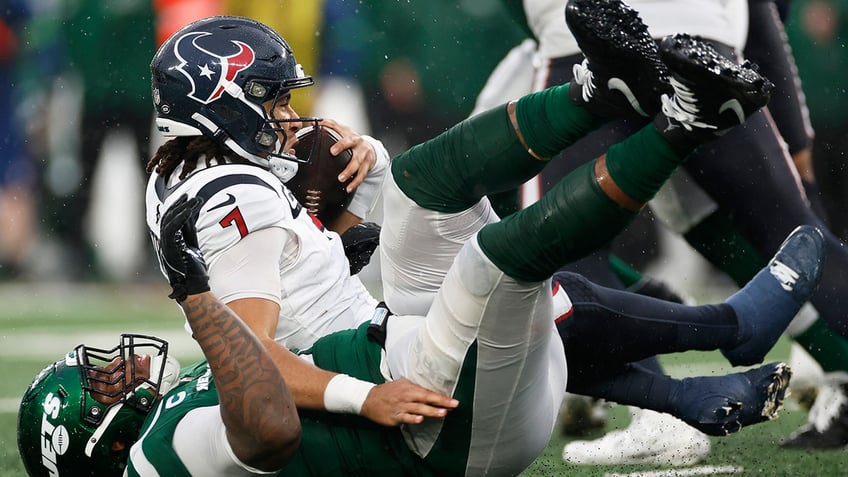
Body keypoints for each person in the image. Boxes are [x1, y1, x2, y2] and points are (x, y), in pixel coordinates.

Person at [18, 5, 818, 475]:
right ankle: (678, 140)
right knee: (503, 264)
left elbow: (285, 278)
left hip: (391, 351)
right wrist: (364, 394)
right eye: (267, 98)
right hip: (413, 406)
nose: (285, 114)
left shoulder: (201, 178)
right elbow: (262, 388)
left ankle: (597, 88)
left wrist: (336, 213)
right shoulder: (169, 439)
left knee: (420, 191)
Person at [487, 0, 848, 462]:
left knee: (559, 242)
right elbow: (761, 13)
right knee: (787, 230)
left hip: (594, 49)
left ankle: (658, 414)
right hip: (705, 46)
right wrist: (795, 135)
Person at [18, 194, 301, 475]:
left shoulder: (177, 403)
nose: (121, 363)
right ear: (112, 443)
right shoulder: (167, 450)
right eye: (106, 382)